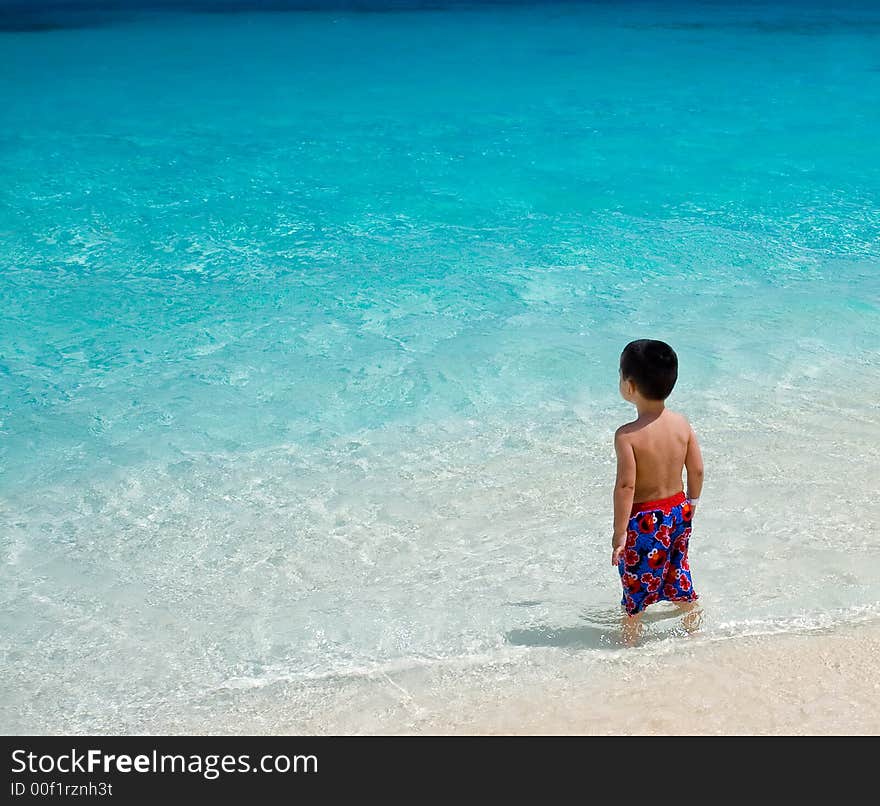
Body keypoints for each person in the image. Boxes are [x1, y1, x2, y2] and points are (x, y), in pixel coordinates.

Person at [610, 339, 704, 643]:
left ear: (630, 386)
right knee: (677, 572)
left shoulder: (628, 436)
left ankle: (631, 641)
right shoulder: (682, 424)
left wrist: (619, 532)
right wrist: (692, 502)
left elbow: (626, 486)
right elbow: (697, 469)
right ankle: (694, 624)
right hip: (678, 513)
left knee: (636, 588)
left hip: (643, 522)